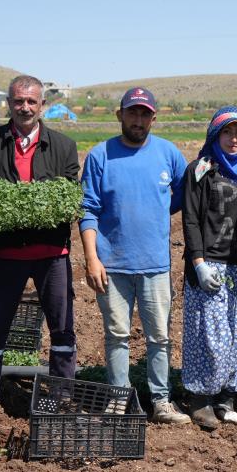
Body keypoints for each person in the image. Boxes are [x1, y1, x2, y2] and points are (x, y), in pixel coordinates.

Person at [0, 75, 80, 430]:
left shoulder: (63, 145)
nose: (25, 107)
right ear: (9, 104)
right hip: (6, 255)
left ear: (41, 105)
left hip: (52, 253)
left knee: (62, 329)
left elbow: (70, 196)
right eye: (18, 101)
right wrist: (28, 204)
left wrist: (19, 203)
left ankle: (61, 398)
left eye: (31, 101)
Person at [79, 87, 190, 424]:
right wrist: (92, 258)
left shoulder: (169, 154)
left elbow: (184, 194)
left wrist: (157, 212)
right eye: (132, 112)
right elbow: (88, 210)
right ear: (120, 115)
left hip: (155, 265)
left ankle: (160, 400)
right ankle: (117, 398)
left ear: (153, 118)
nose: (138, 120)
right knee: (117, 335)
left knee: (159, 336)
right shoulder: (100, 156)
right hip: (112, 265)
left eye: (145, 114)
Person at [181, 106, 237, 429]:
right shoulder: (201, 169)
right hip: (208, 263)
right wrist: (198, 263)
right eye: (227, 132)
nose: (233, 139)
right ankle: (200, 398)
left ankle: (228, 396)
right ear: (215, 135)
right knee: (208, 335)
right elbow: (191, 219)